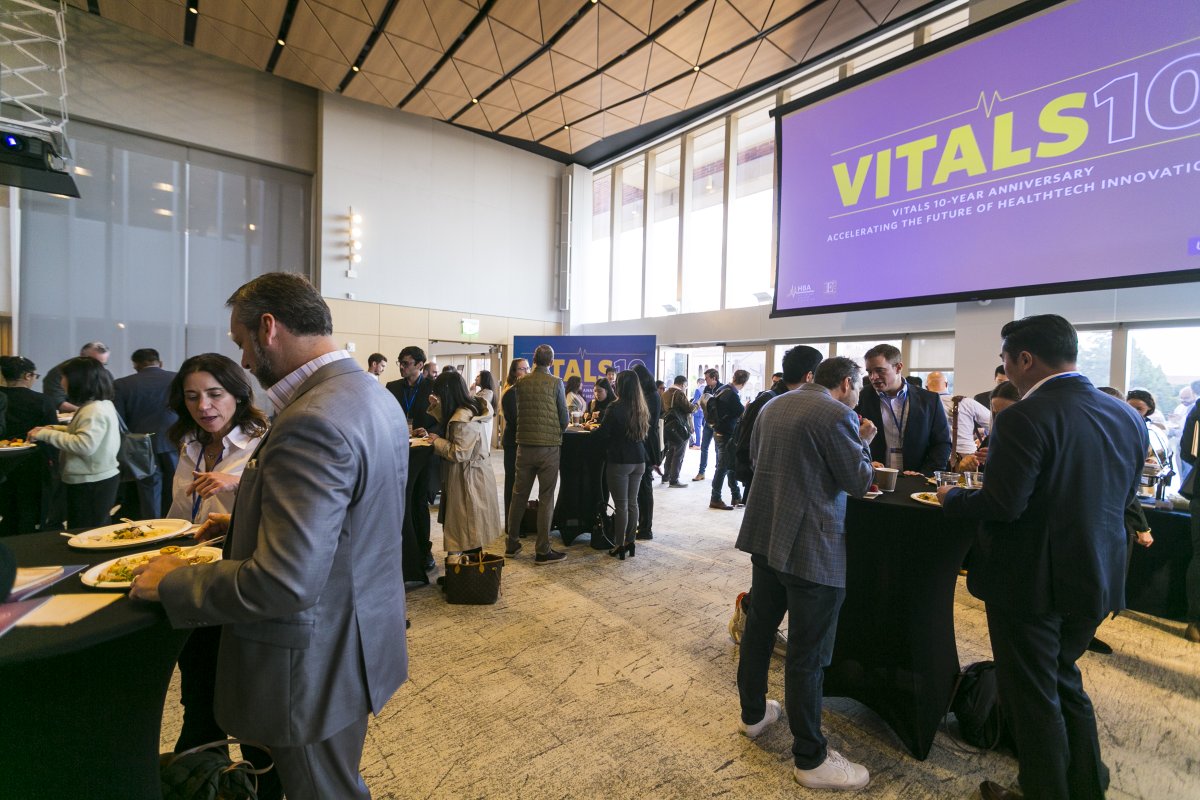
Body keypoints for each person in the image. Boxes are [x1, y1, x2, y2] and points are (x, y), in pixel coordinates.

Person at [131, 272, 409, 800]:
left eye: (241, 344)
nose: (245, 363)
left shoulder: (312, 418)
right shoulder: (371, 396)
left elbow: (285, 581)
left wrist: (176, 581)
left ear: (268, 327)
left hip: (310, 660)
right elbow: (353, 521)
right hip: (358, 637)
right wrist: (245, 524)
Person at [938, 314, 1146, 800]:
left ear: (1024, 359)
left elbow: (1002, 504)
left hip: (1031, 581)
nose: (1004, 369)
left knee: (1032, 697)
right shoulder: (1125, 415)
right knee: (1063, 679)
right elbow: (1121, 495)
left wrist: (952, 499)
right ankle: (1086, 785)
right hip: (1096, 575)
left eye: (1005, 359)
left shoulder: (1025, 416)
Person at [735, 356, 876, 791]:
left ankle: (753, 715)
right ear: (847, 384)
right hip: (813, 547)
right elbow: (857, 481)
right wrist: (865, 440)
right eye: (858, 386)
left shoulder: (774, 405)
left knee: (759, 631)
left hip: (767, 535)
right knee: (807, 656)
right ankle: (811, 758)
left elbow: (758, 461)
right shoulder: (839, 415)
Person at [160, 353, 273, 790]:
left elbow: (287, 510)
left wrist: (238, 484)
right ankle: (207, 782)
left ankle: (262, 785)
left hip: (239, 580)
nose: (204, 406)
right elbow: (178, 510)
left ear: (239, 395)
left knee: (248, 705)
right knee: (199, 696)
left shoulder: (264, 441)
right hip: (195, 577)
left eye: (214, 394)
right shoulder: (188, 443)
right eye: (192, 397)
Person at [28, 356, 121, 529]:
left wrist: (46, 435)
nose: (61, 381)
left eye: (64, 376)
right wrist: (56, 429)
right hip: (96, 477)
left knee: (86, 531)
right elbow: (85, 435)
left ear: (78, 380)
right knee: (91, 527)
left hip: (90, 480)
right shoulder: (101, 404)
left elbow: (84, 445)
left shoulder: (93, 410)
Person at [503, 343, 568, 564]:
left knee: (518, 495)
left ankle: (512, 544)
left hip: (523, 446)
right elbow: (564, 418)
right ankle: (542, 549)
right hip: (548, 448)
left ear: (533, 360)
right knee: (546, 497)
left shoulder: (521, 383)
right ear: (551, 362)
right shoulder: (556, 383)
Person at [426, 370, 500, 561]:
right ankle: (464, 570)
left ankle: (463, 574)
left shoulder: (462, 417)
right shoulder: (468, 408)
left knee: (464, 527)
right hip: (472, 475)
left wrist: (435, 442)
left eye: (440, 395)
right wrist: (435, 407)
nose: (439, 398)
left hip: (466, 478)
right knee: (468, 527)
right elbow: (451, 425)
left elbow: (459, 452)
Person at [734, 346, 823, 494]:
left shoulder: (786, 399)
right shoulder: (768, 400)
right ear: (808, 376)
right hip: (764, 485)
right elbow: (747, 447)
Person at [386, 346, 441, 574]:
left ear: (420, 365)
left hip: (424, 453)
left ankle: (423, 550)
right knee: (397, 503)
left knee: (419, 501)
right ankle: (400, 551)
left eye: (406, 363)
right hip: (397, 452)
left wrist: (428, 432)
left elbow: (441, 420)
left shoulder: (431, 388)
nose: (401, 366)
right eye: (400, 362)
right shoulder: (392, 387)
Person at [856, 344, 951, 474]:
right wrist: (864, 462)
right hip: (873, 477)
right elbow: (849, 439)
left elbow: (942, 443)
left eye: (880, 370)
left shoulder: (929, 400)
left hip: (916, 479)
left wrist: (926, 475)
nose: (873, 377)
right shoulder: (860, 398)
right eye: (870, 372)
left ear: (898, 367)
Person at [114, 347, 180, 518]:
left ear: (135, 365)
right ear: (160, 362)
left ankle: (152, 528)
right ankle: (176, 523)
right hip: (173, 440)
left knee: (148, 491)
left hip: (140, 445)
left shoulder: (122, 384)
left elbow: (119, 419)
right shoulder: (177, 379)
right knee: (176, 486)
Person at [594, 369, 649, 559]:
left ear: (620, 386)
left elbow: (603, 434)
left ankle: (618, 544)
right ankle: (630, 542)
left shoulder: (615, 407)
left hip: (619, 460)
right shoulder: (641, 407)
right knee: (633, 503)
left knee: (621, 505)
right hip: (639, 460)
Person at [0, 356, 56, 534]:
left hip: (2, 464)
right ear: (27, 375)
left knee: (6, 509)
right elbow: (51, 436)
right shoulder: (42, 401)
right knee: (30, 510)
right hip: (33, 463)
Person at [925, 371, 991, 473]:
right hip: (968, 460)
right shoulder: (966, 402)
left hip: (936, 458)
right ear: (946, 384)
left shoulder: (924, 405)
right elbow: (995, 423)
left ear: (926, 387)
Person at [709, 369, 748, 510]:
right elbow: (741, 412)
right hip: (725, 434)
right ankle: (715, 498)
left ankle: (736, 496)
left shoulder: (723, 389)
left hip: (718, 432)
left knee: (730, 465)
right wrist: (746, 407)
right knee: (723, 467)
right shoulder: (732, 395)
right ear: (743, 383)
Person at [632, 363, 661, 540]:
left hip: (646, 446)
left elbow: (645, 424)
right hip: (648, 444)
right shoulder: (652, 394)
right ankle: (643, 525)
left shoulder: (649, 397)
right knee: (643, 487)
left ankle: (645, 527)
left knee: (644, 487)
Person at [43, 341, 111, 413]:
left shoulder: (105, 374)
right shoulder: (60, 372)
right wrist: (88, 412)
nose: (99, 368)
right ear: (82, 357)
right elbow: (57, 402)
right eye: (94, 362)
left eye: (103, 364)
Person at [499, 358, 528, 522]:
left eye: (527, 368)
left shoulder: (522, 389)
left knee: (520, 483)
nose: (525, 372)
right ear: (514, 372)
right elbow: (516, 419)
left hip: (521, 440)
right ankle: (512, 522)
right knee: (512, 482)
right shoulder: (511, 392)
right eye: (521, 369)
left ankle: (519, 520)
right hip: (512, 442)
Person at [974, 380, 1021, 467]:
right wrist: (970, 463)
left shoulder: (1031, 440)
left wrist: (1000, 460)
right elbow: (978, 470)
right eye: (995, 414)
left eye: (1006, 414)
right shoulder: (991, 439)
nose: (999, 420)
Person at [660, 375, 694, 487]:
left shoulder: (665, 393)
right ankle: (674, 480)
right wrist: (697, 405)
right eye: (686, 386)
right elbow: (689, 408)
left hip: (668, 425)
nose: (685, 388)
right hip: (679, 427)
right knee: (679, 453)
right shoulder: (679, 394)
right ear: (682, 384)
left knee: (670, 451)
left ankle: (666, 476)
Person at [1127, 389, 1173, 471]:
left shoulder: (1151, 429)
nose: (1134, 411)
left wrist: (1153, 460)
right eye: (1130, 407)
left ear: (1149, 408)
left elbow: (1157, 455)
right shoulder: (1120, 426)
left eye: (1139, 408)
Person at [694, 368, 722, 480]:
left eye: (707, 378)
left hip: (717, 424)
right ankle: (701, 472)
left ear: (714, 378)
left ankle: (718, 473)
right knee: (704, 447)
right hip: (707, 423)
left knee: (717, 449)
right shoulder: (706, 388)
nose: (705, 381)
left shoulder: (722, 389)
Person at [690, 377, 705, 448]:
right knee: (704, 428)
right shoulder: (707, 389)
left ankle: (698, 443)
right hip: (705, 412)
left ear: (698, 382)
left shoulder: (698, 390)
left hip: (698, 411)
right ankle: (704, 442)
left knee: (697, 428)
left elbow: (696, 401)